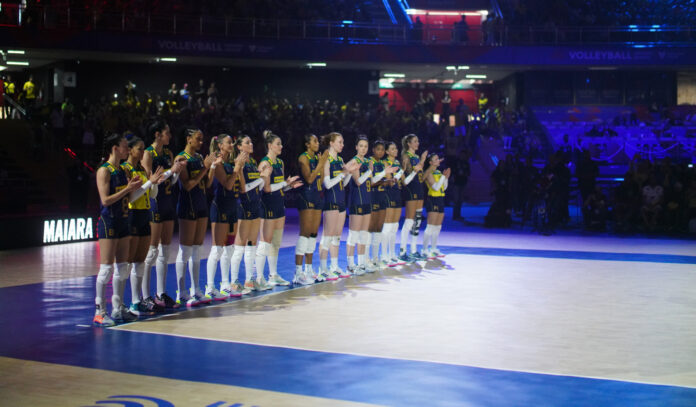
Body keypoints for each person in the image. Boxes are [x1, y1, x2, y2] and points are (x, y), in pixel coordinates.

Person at [93, 133, 143, 326]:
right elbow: (105, 200)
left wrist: (143, 186)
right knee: (106, 268)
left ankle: (118, 307)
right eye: (124, 146)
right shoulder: (104, 171)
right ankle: (99, 311)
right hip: (109, 221)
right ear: (114, 148)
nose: (127, 150)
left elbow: (128, 198)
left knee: (123, 268)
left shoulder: (123, 170)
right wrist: (127, 189)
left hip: (123, 221)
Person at [141, 121, 185, 309]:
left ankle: (161, 293)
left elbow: (172, 180)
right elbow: (151, 180)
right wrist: (171, 171)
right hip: (155, 203)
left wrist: (176, 173)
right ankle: (145, 296)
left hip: (168, 201)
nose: (170, 136)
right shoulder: (148, 153)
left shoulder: (168, 153)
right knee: (151, 252)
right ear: (158, 134)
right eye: (167, 133)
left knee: (165, 251)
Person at [122, 136, 164, 315]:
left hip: (144, 213)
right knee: (128, 262)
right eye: (139, 149)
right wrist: (149, 183)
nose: (142, 152)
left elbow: (152, 194)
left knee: (140, 261)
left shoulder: (141, 168)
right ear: (130, 150)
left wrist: (154, 183)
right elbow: (132, 195)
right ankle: (124, 303)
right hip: (132, 214)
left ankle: (136, 301)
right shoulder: (126, 168)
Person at [255, 131, 302, 288]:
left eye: (281, 144)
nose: (281, 146)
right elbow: (267, 189)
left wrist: (288, 186)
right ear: (270, 146)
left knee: (275, 243)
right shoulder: (264, 164)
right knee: (265, 242)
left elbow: (279, 187)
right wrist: (284, 184)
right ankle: (259, 278)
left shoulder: (280, 163)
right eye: (278, 144)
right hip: (267, 205)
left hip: (279, 205)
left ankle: (273, 275)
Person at [175, 129, 215, 306]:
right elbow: (188, 185)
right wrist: (205, 167)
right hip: (187, 204)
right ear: (188, 139)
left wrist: (211, 167)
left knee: (197, 249)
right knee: (185, 249)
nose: (200, 142)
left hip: (201, 203)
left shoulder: (199, 158)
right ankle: (181, 291)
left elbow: (206, 183)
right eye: (198, 139)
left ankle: (196, 289)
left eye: (202, 139)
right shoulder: (181, 159)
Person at [228, 135, 273, 293]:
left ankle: (249, 280)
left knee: (251, 246)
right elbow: (243, 188)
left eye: (251, 141)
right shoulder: (238, 163)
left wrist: (264, 178)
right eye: (247, 142)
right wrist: (262, 177)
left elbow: (257, 187)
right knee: (239, 246)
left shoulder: (253, 163)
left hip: (255, 204)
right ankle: (233, 282)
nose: (251, 144)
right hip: (244, 206)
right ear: (239, 147)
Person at [205, 134, 245, 300]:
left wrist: (239, 168)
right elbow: (228, 185)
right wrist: (237, 168)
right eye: (229, 142)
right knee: (217, 249)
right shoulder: (219, 163)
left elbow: (240, 188)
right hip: (220, 206)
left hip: (232, 206)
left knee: (229, 248)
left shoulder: (231, 162)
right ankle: (210, 287)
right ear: (220, 145)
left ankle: (225, 284)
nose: (232, 144)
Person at [317, 132, 358, 281]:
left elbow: (344, 183)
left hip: (341, 200)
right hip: (330, 201)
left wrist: (348, 173)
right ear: (332, 143)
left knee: (336, 237)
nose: (342, 145)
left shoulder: (340, 159)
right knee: (327, 237)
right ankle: (322, 269)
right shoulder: (326, 159)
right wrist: (343, 173)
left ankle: (334, 267)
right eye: (340, 142)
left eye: (342, 142)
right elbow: (327, 184)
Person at [296, 134, 328, 284]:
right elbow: (309, 179)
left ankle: (308, 269)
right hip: (306, 196)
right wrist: (321, 164)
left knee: (313, 234)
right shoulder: (304, 158)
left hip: (317, 195)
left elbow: (319, 181)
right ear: (307, 144)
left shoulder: (317, 158)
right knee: (305, 233)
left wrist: (321, 166)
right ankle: (298, 273)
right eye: (315, 141)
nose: (317, 143)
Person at [346, 136, 374, 275]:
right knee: (354, 234)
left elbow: (371, 181)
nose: (363, 148)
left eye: (365, 146)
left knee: (364, 234)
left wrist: (383, 174)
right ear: (356, 147)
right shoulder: (354, 161)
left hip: (367, 200)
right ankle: (351, 264)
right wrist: (369, 171)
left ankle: (362, 263)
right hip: (356, 200)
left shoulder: (368, 161)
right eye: (361, 146)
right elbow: (358, 181)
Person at [367, 140, 397, 268]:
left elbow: (382, 180)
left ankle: (375, 258)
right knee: (370, 228)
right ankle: (366, 259)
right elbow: (371, 183)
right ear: (373, 150)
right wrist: (383, 181)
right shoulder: (370, 162)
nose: (380, 151)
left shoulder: (381, 163)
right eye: (377, 149)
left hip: (382, 197)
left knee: (378, 229)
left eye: (382, 149)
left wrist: (388, 181)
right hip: (372, 197)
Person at [399, 135, 428, 262]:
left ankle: (414, 250)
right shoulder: (406, 156)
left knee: (417, 221)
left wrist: (421, 160)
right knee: (409, 221)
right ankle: (402, 251)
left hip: (419, 188)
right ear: (409, 144)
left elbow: (419, 174)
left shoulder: (416, 157)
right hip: (411, 190)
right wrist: (422, 160)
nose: (418, 143)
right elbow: (408, 176)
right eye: (415, 141)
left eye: (418, 140)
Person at [382, 142, 406, 267]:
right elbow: (391, 182)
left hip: (397, 194)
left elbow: (404, 181)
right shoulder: (385, 163)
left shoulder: (397, 163)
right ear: (387, 151)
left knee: (395, 226)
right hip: (388, 194)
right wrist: (400, 172)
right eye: (392, 148)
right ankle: (384, 255)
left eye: (396, 148)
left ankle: (392, 254)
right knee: (387, 226)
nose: (395, 150)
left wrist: (406, 171)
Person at [423, 153, 450, 258]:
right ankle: (425, 249)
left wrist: (446, 178)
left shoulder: (438, 172)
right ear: (430, 162)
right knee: (430, 226)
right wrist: (443, 177)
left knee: (438, 226)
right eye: (436, 159)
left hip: (440, 199)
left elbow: (444, 187)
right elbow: (435, 188)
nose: (439, 160)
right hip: (432, 199)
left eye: (438, 158)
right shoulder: (429, 173)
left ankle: (434, 248)